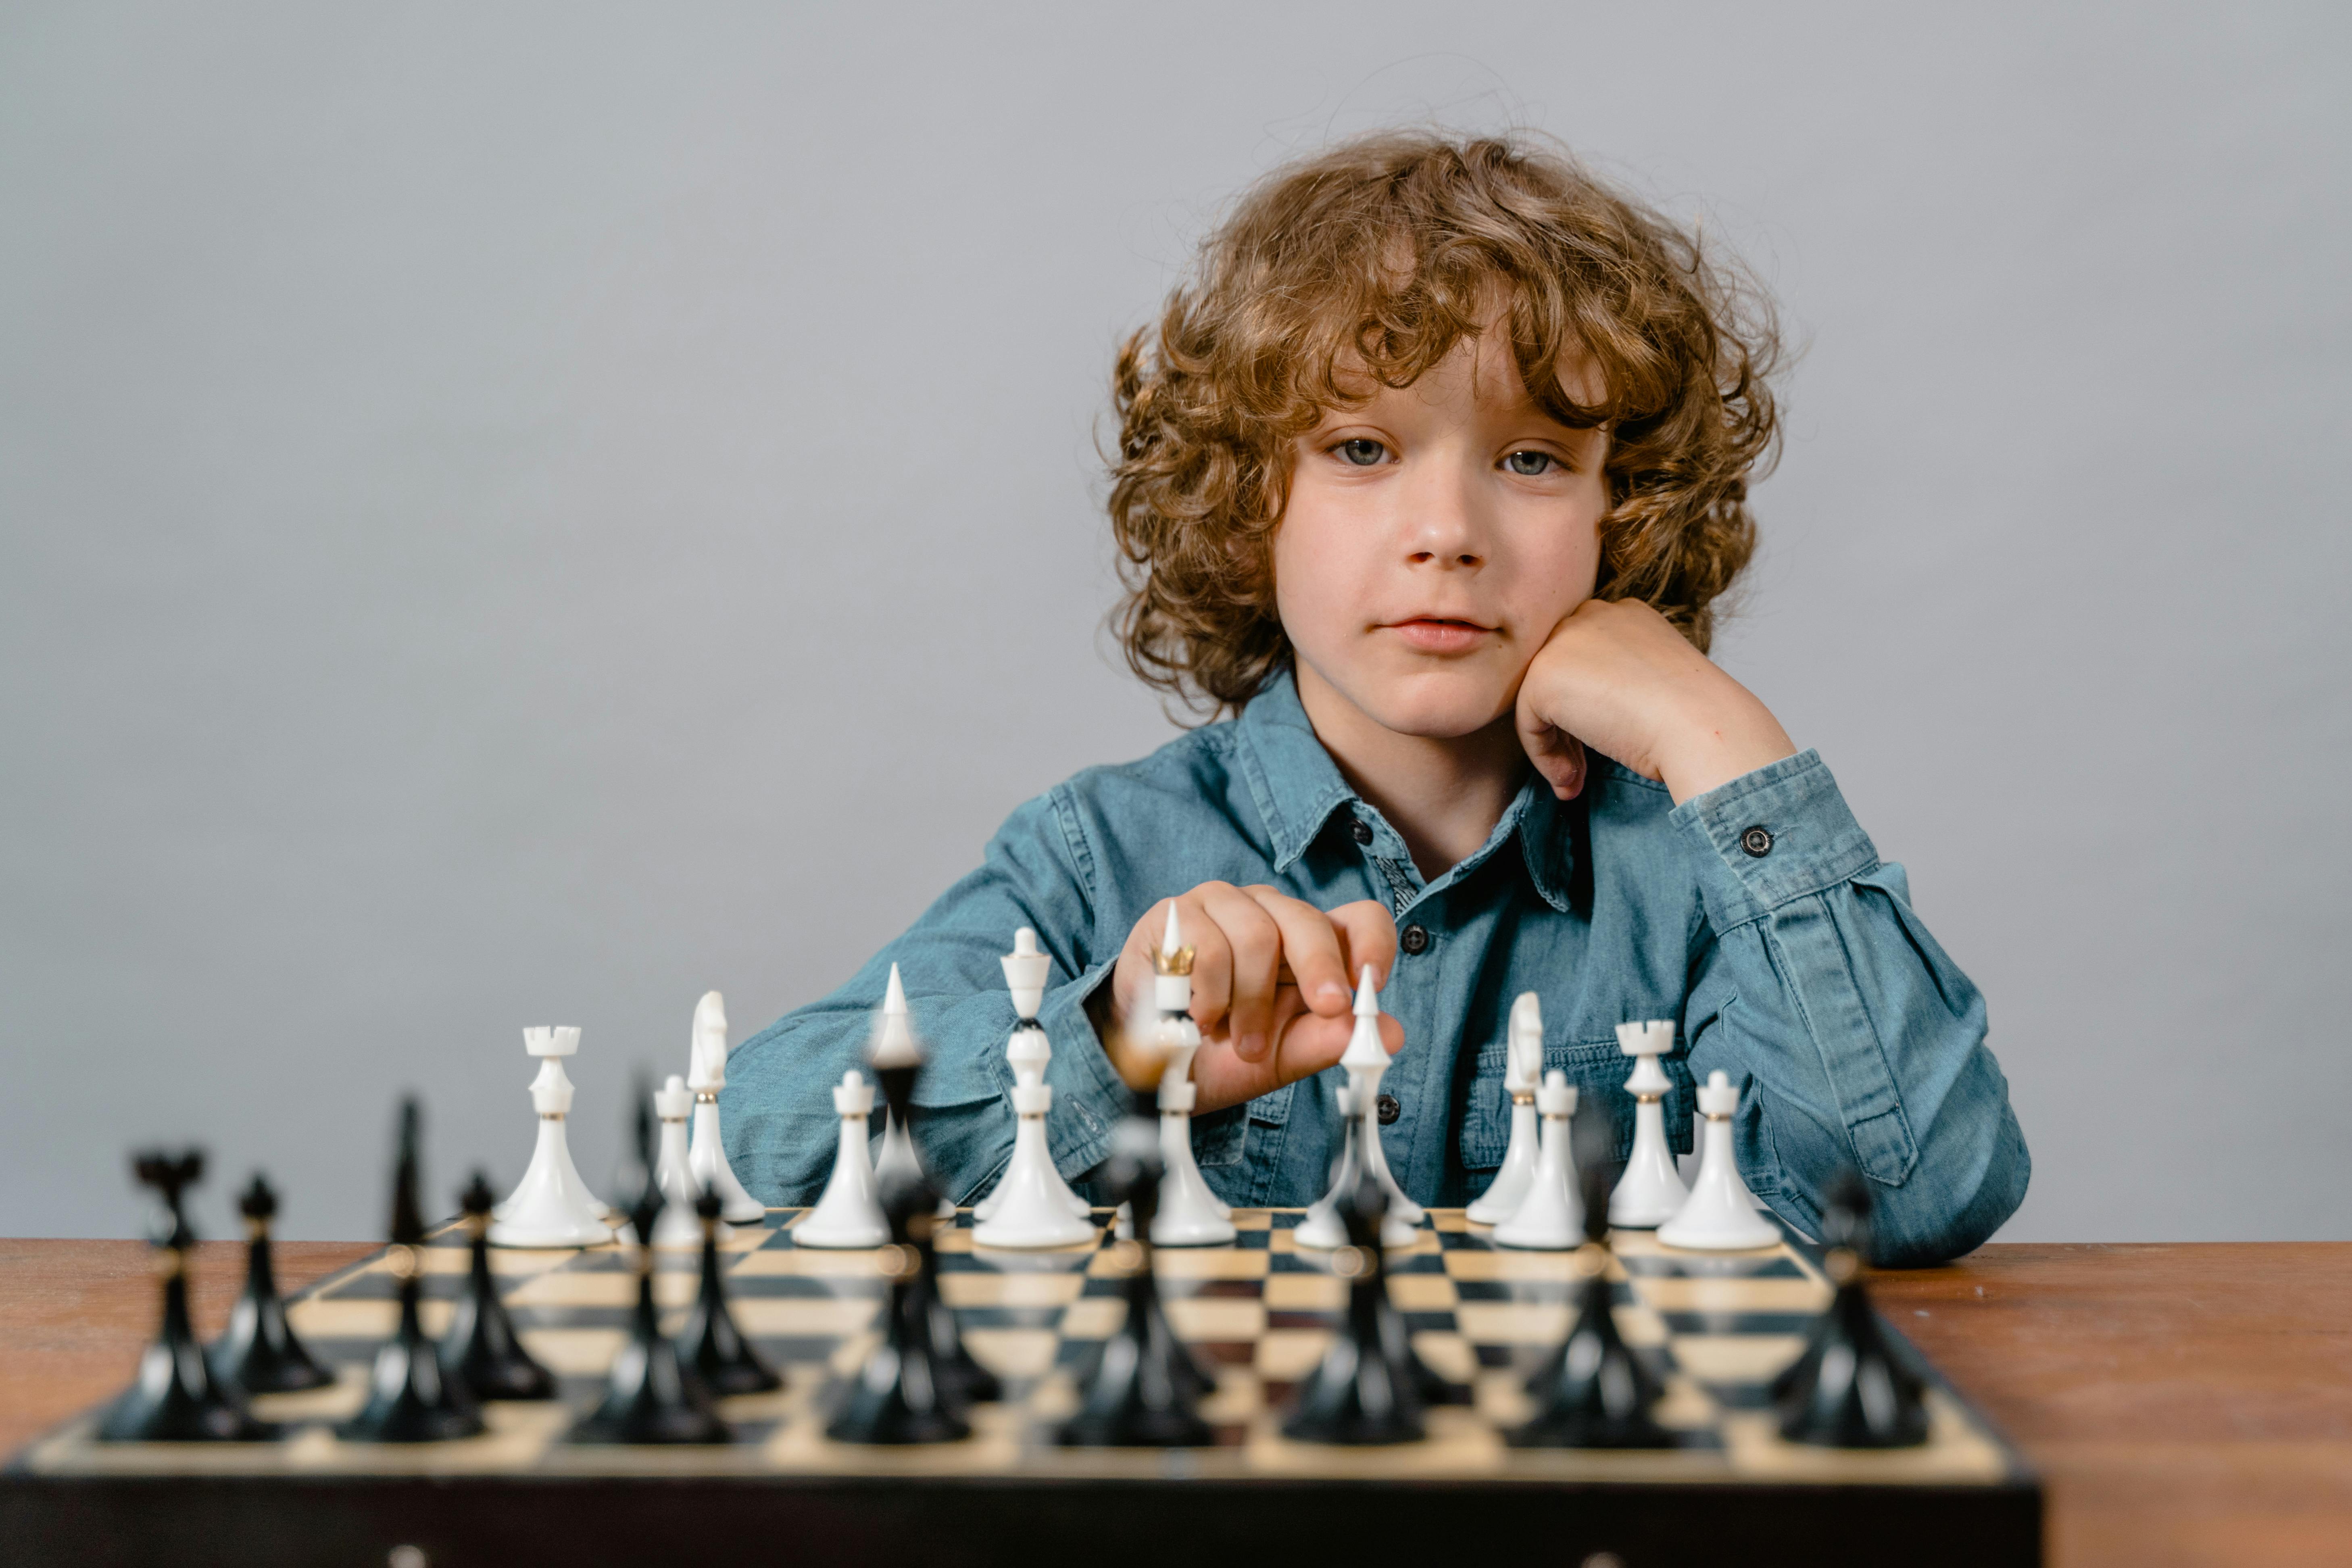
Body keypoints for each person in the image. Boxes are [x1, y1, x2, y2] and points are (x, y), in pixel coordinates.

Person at [721, 130, 2028, 1266]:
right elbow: (764, 1131)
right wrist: (1113, 1039)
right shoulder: (1098, 858)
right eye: (1361, 449)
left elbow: (1914, 1196)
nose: (1446, 532)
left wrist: (1717, 735)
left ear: (1621, 517)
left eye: (1530, 457)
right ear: (1249, 505)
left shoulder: (1691, 884)